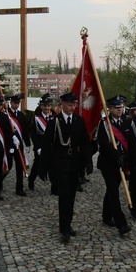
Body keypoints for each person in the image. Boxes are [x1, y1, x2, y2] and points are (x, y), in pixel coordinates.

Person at [42, 91, 91, 244]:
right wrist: (43, 167)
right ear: (62, 104)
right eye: (69, 105)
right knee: (64, 197)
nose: (72, 107)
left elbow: (84, 144)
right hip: (60, 164)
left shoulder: (79, 121)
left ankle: (68, 225)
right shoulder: (54, 122)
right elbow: (46, 146)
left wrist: (87, 162)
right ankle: (64, 229)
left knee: (72, 197)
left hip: (74, 164)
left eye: (74, 105)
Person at [97, 96, 131, 236]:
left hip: (121, 163)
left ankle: (106, 216)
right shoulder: (104, 124)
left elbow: (129, 142)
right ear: (109, 109)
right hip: (108, 163)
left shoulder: (125, 122)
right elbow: (103, 145)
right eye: (116, 107)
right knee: (114, 192)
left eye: (121, 107)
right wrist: (116, 156)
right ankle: (121, 223)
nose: (119, 109)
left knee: (112, 190)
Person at [28, 93, 53, 191]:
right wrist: (38, 147)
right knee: (37, 165)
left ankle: (54, 186)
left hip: (51, 147)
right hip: (40, 147)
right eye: (45, 106)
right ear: (41, 106)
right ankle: (31, 180)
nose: (47, 108)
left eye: (49, 105)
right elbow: (34, 134)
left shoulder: (54, 116)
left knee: (52, 166)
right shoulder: (36, 118)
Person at [7, 93, 31, 196]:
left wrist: (28, 143)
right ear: (11, 103)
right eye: (14, 103)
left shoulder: (21, 115)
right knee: (7, 166)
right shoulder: (6, 114)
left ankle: (19, 188)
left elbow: (25, 130)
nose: (16, 105)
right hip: (9, 145)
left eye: (18, 103)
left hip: (19, 145)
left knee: (19, 166)